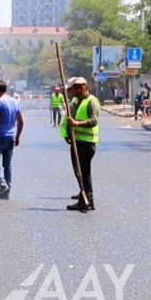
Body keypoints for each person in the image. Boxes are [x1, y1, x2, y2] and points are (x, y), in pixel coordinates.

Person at [64, 77, 100, 212]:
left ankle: (88, 200)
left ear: (86, 86)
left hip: (86, 143)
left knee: (84, 172)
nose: (77, 90)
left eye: (80, 87)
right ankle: (83, 194)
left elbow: (93, 120)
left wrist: (77, 124)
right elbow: (69, 119)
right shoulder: (75, 101)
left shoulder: (91, 101)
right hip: (76, 141)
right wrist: (68, 132)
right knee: (78, 172)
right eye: (75, 88)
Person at [0, 79, 23, 200]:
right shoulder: (15, 102)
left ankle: (2, 184)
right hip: (11, 137)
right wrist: (17, 136)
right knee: (7, 165)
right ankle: (7, 191)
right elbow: (21, 121)